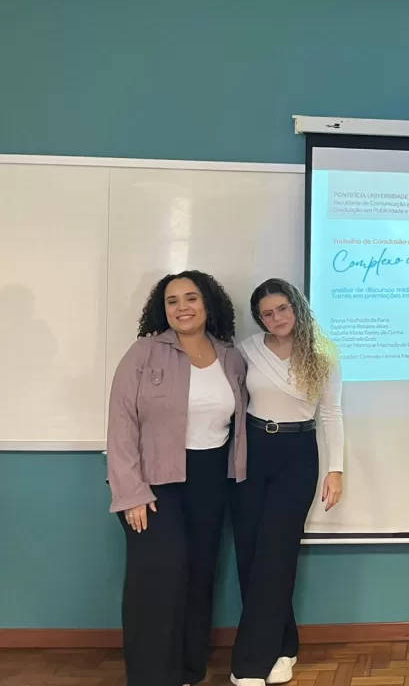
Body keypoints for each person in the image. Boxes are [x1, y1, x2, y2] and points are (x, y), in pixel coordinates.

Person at [106, 271, 248, 686]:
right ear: (162, 309)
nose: (182, 307)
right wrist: (131, 492)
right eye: (172, 300)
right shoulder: (144, 352)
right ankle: (152, 677)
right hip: (154, 485)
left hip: (211, 481)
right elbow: (121, 424)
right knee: (157, 581)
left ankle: (188, 670)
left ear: (208, 304)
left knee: (198, 576)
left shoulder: (230, 356)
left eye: (191, 298)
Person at [230, 279, 344, 686]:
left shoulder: (323, 352)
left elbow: (331, 413)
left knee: (276, 555)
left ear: (296, 306)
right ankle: (284, 646)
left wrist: (336, 469)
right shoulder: (247, 350)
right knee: (250, 555)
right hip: (251, 451)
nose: (276, 317)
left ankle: (250, 663)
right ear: (259, 318)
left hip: (297, 456)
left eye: (282, 308)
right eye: (267, 313)